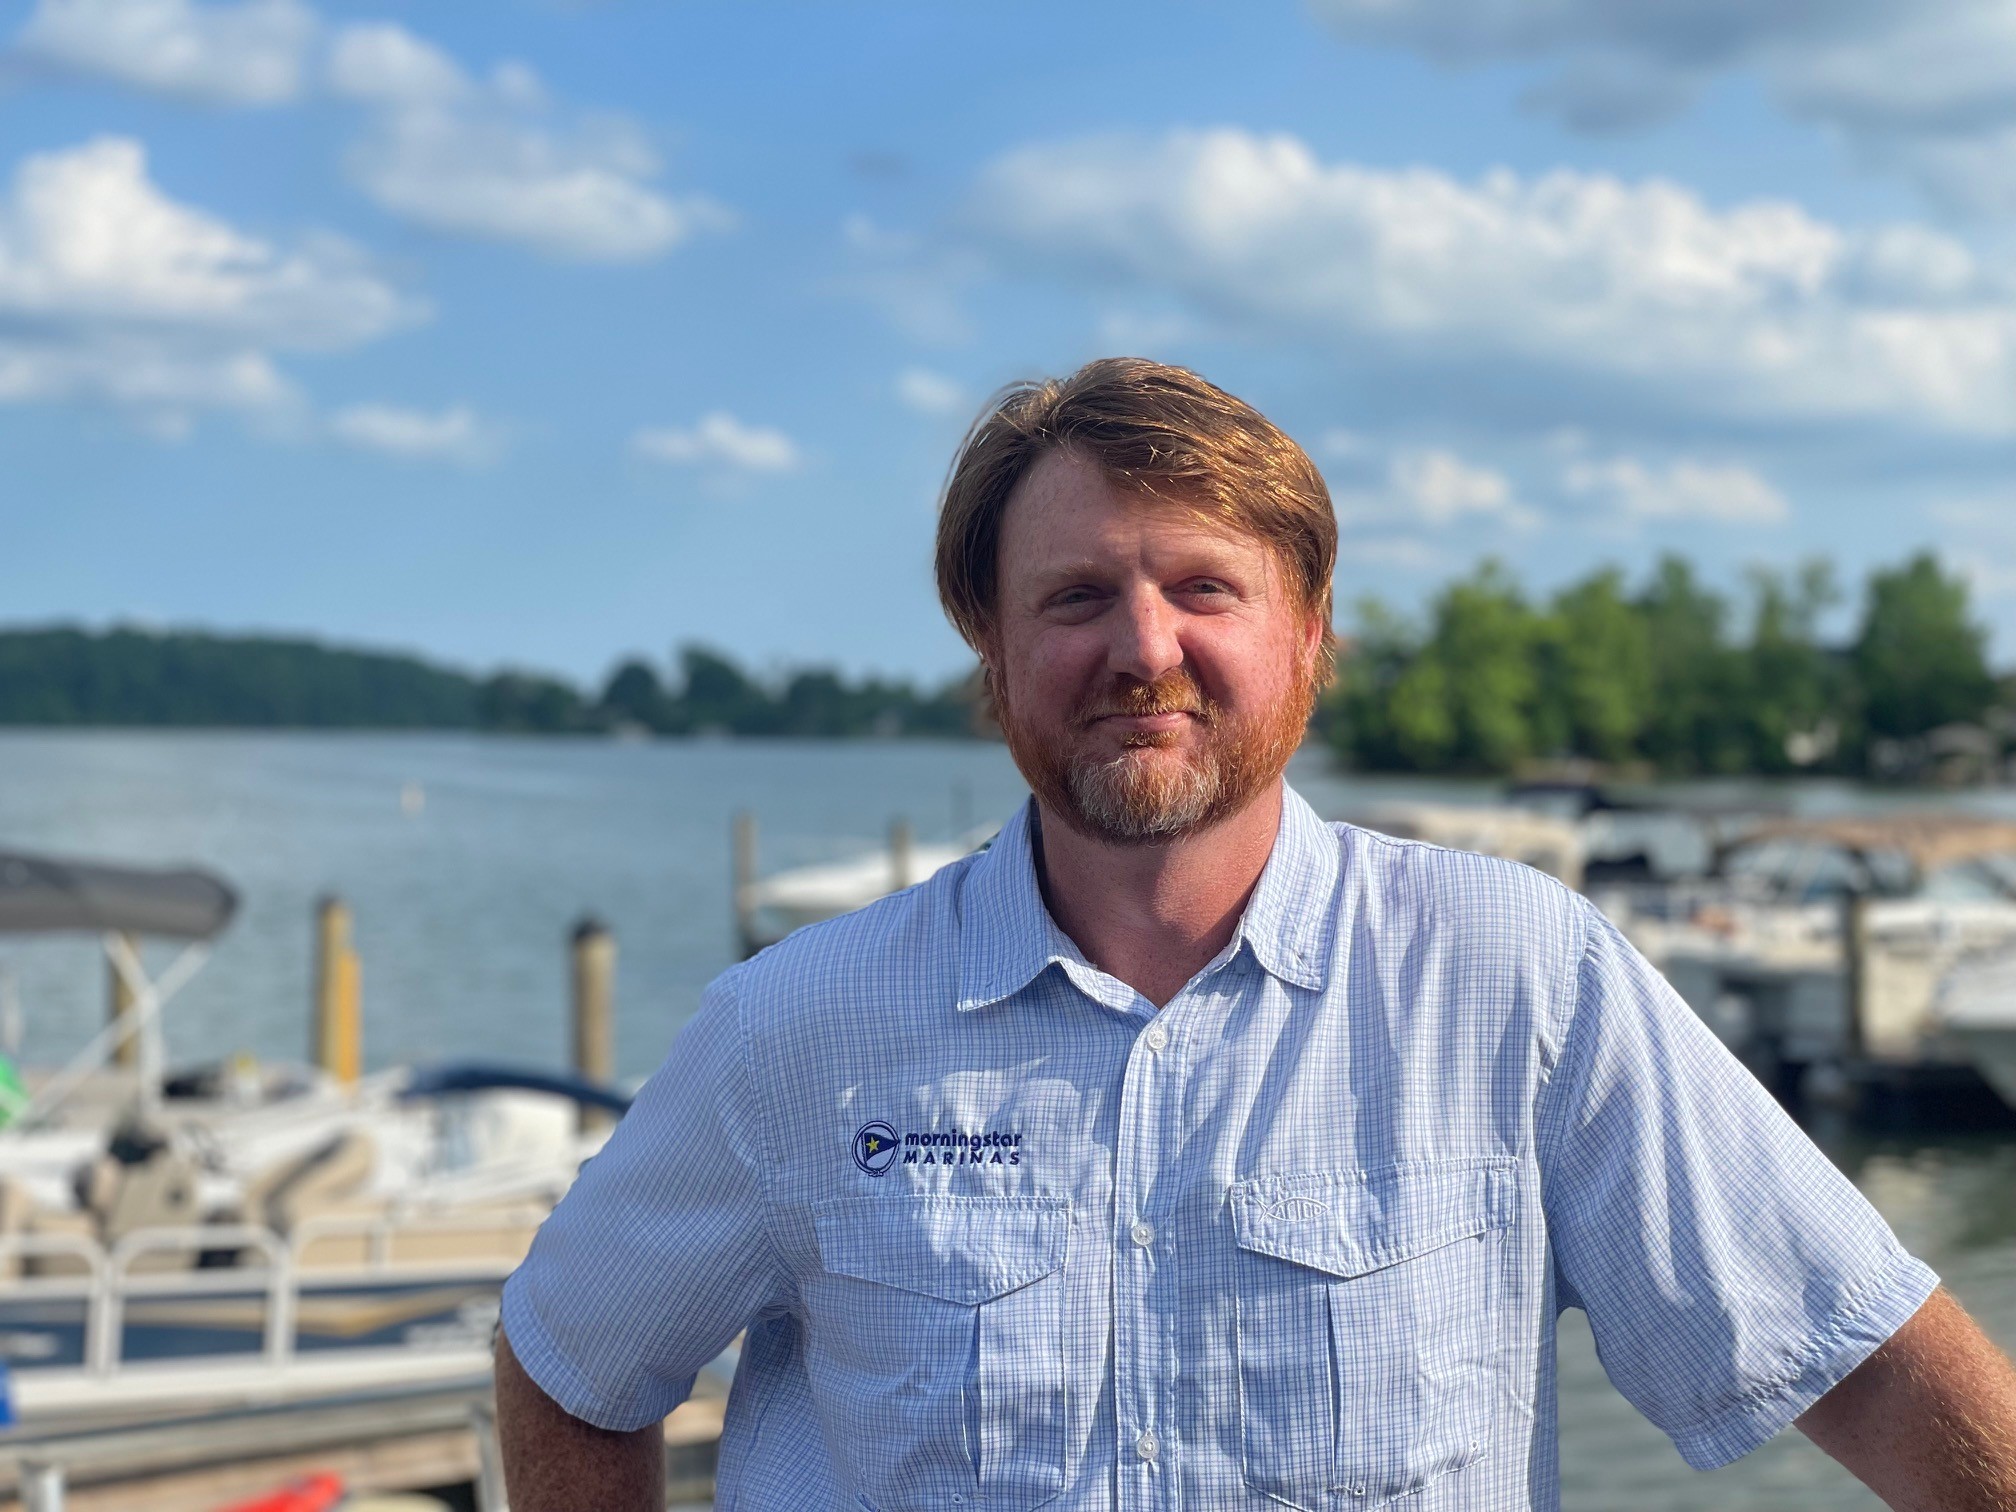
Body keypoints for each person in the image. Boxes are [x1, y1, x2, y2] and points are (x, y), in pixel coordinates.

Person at [495, 358, 2016, 1511]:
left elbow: (1871, 1364)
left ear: (1311, 633)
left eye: (1203, 588)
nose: (1142, 648)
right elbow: (572, 1368)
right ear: (993, 647)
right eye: (1074, 598)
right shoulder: (794, 1031)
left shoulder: (1517, 982)